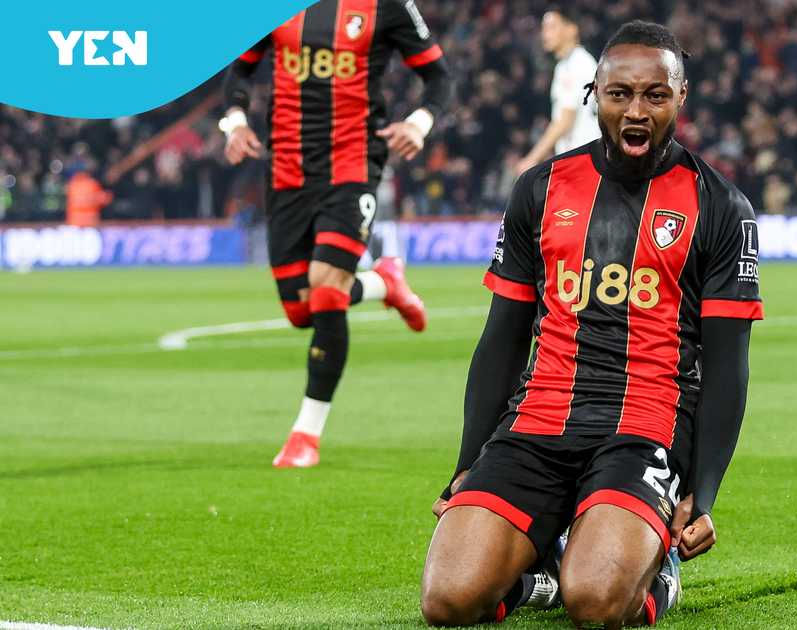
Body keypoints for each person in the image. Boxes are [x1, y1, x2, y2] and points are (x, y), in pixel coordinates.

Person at [422, 21, 763, 628]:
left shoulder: (720, 206)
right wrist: (466, 461)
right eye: (619, 94)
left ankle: (654, 573)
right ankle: (542, 579)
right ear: (593, 96)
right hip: (538, 418)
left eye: (655, 95)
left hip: (646, 424)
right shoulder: (540, 189)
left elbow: (729, 365)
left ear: (681, 97)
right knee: (448, 600)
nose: (636, 110)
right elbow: (502, 337)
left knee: (599, 604)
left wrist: (702, 495)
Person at [221, 0, 453, 468]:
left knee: (327, 290)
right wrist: (236, 121)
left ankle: (306, 435)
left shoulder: (386, 6)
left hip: (353, 166)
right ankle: (384, 282)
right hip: (286, 172)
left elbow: (439, 78)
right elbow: (237, 72)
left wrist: (418, 123)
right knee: (299, 309)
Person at [514, 8, 600, 174]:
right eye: (544, 28)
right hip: (578, 158)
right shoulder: (567, 64)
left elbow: (565, 120)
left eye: (552, 27)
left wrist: (532, 158)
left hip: (583, 161)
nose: (545, 33)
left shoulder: (577, 65)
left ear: (571, 29)